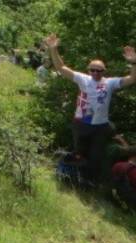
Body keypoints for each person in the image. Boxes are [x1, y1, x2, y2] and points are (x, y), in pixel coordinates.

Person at [44, 34, 136, 184]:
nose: (95, 73)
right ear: (88, 70)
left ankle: (89, 182)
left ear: (104, 71)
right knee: (79, 154)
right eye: (92, 70)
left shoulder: (110, 83)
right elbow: (61, 68)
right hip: (81, 124)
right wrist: (53, 50)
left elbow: (132, 79)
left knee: (95, 157)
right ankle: (72, 177)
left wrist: (134, 63)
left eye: (98, 70)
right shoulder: (83, 79)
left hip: (100, 127)